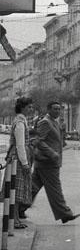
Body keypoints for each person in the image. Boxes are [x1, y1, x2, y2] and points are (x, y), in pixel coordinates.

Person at [29, 101, 80, 224]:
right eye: (55, 109)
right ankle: (65, 214)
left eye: (59, 109)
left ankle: (18, 208)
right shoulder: (45, 122)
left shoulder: (54, 122)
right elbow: (38, 140)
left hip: (45, 162)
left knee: (33, 188)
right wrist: (51, 153)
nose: (57, 111)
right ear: (48, 110)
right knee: (55, 189)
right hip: (48, 162)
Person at [8, 96, 34, 229]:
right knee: (17, 189)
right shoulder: (20, 122)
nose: (31, 109)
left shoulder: (21, 120)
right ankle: (14, 220)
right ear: (22, 107)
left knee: (16, 189)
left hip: (17, 157)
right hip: (18, 159)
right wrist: (24, 163)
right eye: (29, 107)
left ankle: (15, 218)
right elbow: (20, 145)